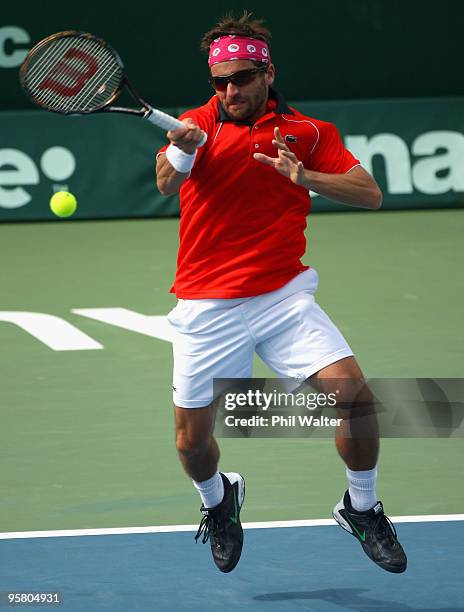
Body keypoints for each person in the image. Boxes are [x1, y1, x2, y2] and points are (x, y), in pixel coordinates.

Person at [156, 11, 407, 575]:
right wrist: (182, 150)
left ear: (267, 74)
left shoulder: (309, 133)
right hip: (206, 307)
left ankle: (360, 507)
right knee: (191, 447)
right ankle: (220, 501)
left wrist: (305, 178)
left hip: (282, 300)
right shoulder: (197, 123)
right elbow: (166, 181)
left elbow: (370, 194)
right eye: (220, 80)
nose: (229, 90)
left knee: (358, 402)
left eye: (241, 78)